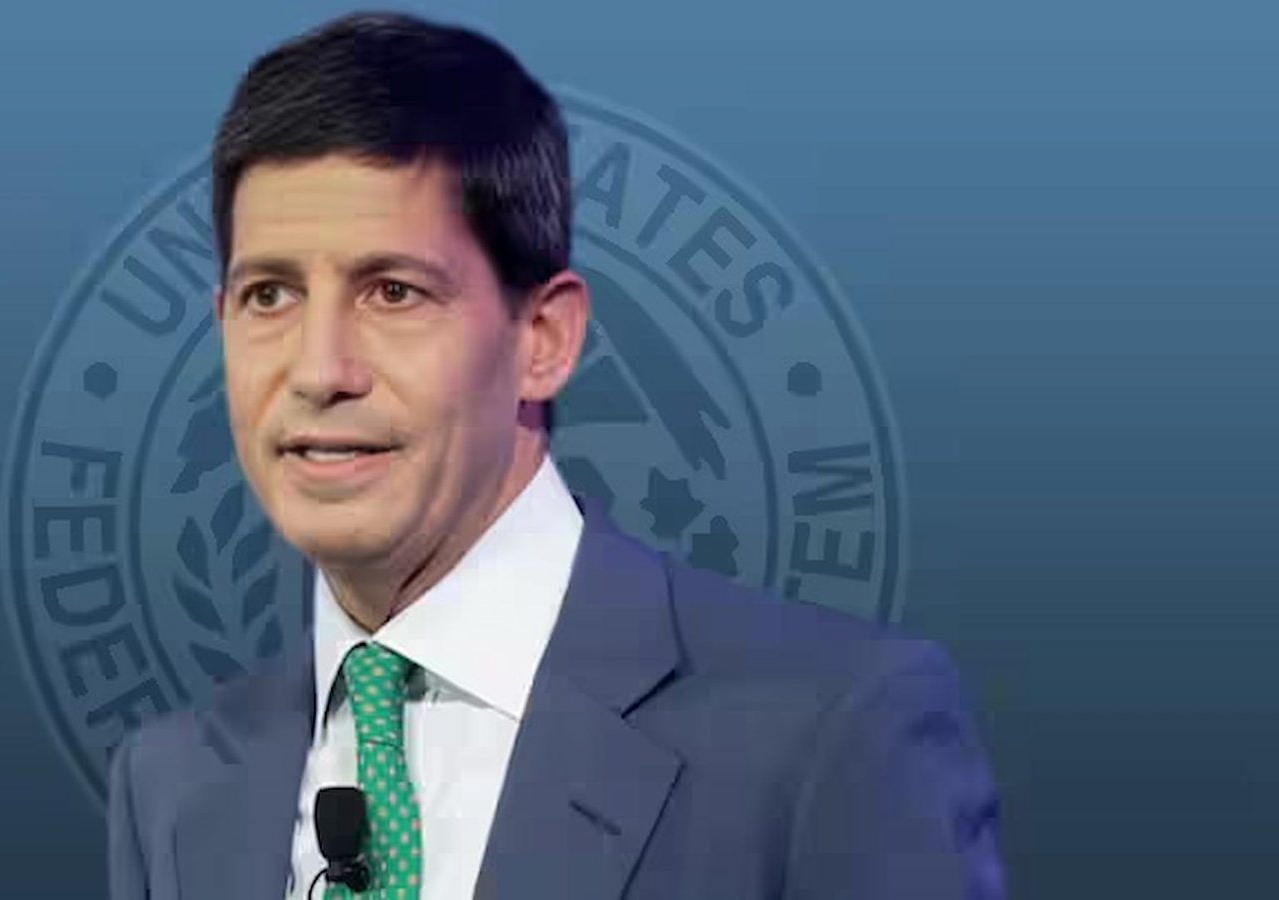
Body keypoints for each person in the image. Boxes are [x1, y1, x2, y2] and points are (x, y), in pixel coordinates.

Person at [106, 11, 1003, 900]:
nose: (318, 371)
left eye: (393, 292)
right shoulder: (168, 782)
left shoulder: (834, 731)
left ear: (544, 339)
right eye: (270, 295)